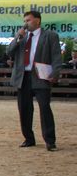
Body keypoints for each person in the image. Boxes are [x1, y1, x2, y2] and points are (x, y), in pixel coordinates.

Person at [6, 10, 61, 152]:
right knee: (24, 109)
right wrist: (18, 38)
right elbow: (9, 52)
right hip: (23, 77)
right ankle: (29, 139)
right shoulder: (21, 37)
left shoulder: (50, 36)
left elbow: (56, 57)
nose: (25, 23)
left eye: (28, 20)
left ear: (38, 20)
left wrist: (55, 73)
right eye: (24, 21)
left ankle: (50, 141)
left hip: (41, 76)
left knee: (45, 108)